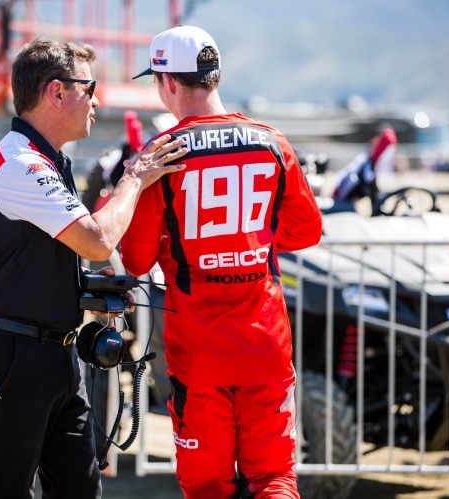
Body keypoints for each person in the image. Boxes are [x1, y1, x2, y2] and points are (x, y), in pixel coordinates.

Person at [0, 38, 187, 499]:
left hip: (52, 352)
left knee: (81, 490)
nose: (97, 99)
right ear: (56, 92)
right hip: (16, 353)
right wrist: (135, 178)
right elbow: (98, 241)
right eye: (90, 87)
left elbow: (39, 259)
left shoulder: (42, 158)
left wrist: (84, 286)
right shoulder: (20, 162)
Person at [121, 26, 323, 498]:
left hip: (199, 353)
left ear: (169, 83)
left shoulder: (161, 154)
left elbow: (135, 257)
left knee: (208, 486)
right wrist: (250, 244)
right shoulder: (272, 142)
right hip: (266, 344)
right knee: (274, 479)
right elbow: (306, 230)